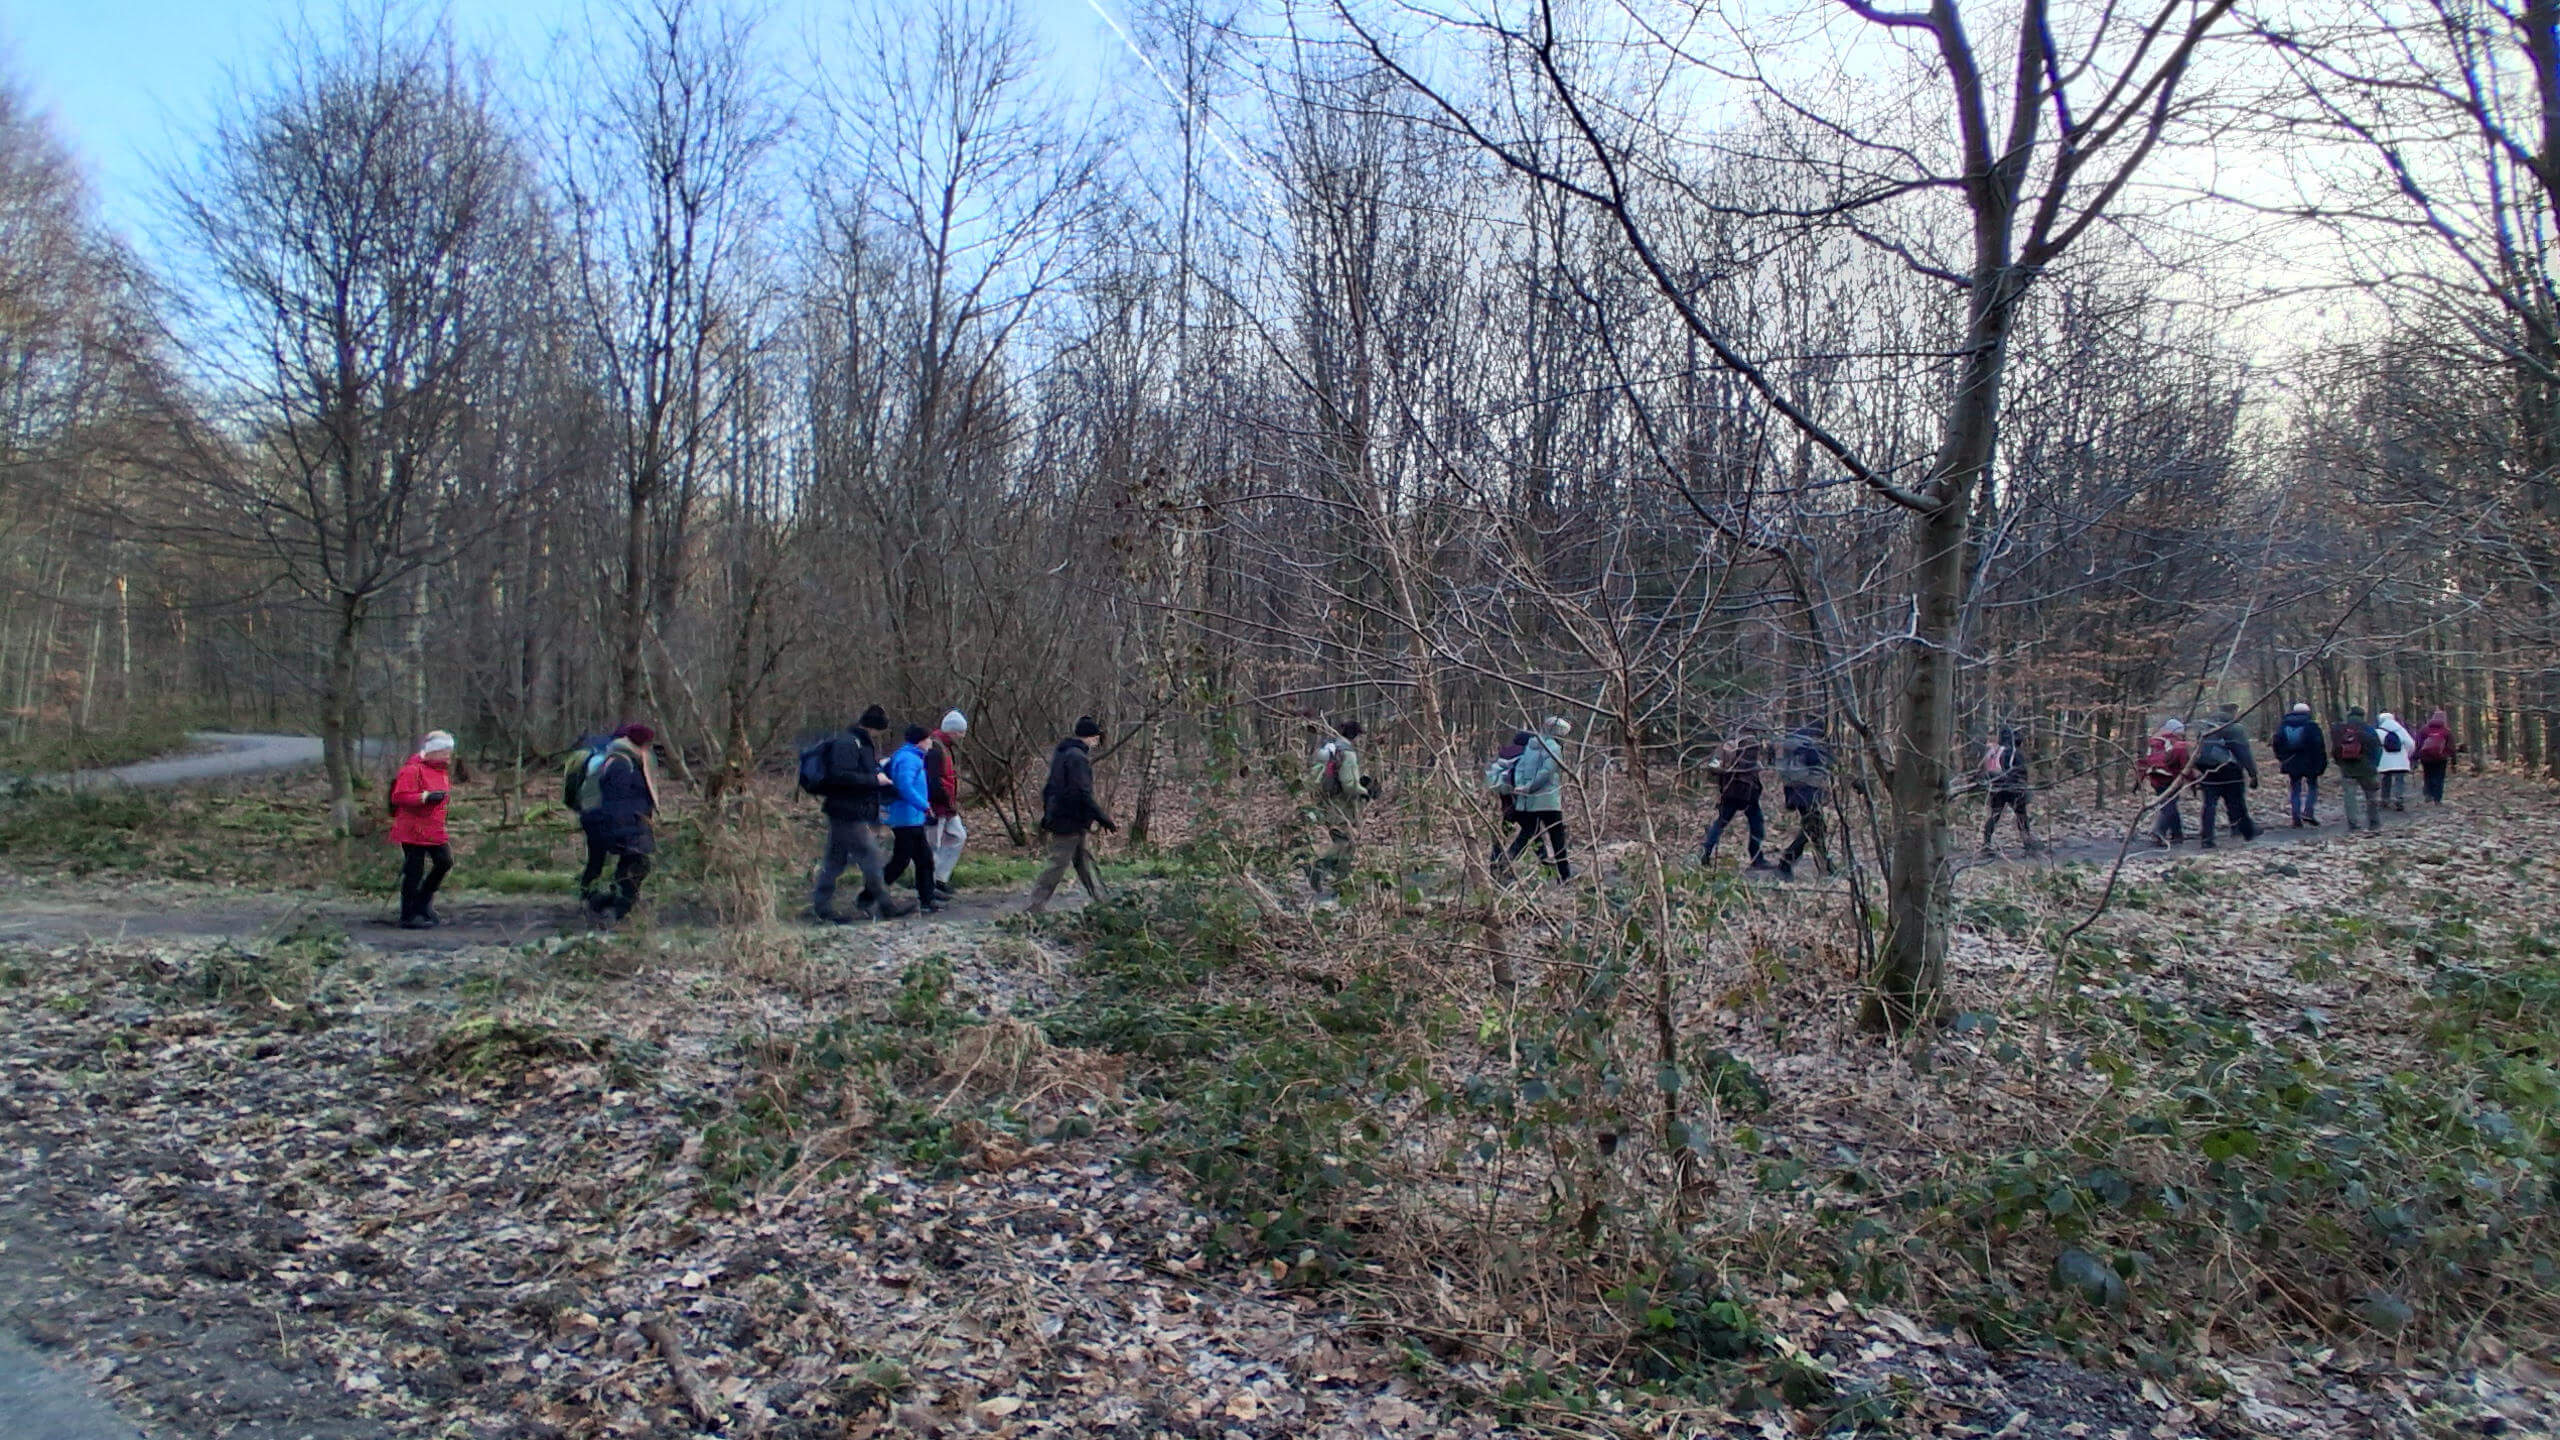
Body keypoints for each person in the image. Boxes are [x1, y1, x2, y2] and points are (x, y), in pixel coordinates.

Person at [809, 706, 910, 923]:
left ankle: (821, 907)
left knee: (835, 861)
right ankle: (886, 905)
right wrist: (875, 780)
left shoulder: (858, 742)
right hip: (847, 811)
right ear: (874, 727)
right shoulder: (849, 743)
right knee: (870, 856)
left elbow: (856, 772)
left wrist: (878, 777)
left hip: (846, 810)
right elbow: (840, 776)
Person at [1023, 716, 1114, 914]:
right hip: (1069, 818)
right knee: (1058, 863)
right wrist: (1101, 817)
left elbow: (1051, 787)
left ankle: (1102, 900)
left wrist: (1048, 814)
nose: (1097, 741)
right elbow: (1081, 792)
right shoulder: (1077, 758)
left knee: (1083, 861)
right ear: (1092, 737)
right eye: (1096, 737)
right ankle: (1035, 906)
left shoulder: (1063, 753)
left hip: (1063, 816)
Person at [577, 723, 658, 921]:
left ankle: (606, 903)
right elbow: (617, 800)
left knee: (629, 866)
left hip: (629, 824)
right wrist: (623, 831)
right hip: (625, 826)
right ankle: (615, 909)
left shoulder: (630, 760)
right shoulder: (622, 763)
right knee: (636, 865)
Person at [389, 729, 457, 929]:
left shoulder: (441, 771)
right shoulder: (412, 770)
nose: (449, 755)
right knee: (414, 871)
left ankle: (422, 902)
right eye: (444, 751)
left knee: (444, 861)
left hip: (434, 828)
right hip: (412, 829)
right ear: (432, 751)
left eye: (449, 751)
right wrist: (425, 797)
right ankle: (408, 915)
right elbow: (398, 797)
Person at [878, 725, 942, 914]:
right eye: (928, 739)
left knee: (923, 859)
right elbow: (904, 787)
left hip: (911, 817)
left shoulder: (910, 756)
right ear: (920, 741)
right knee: (902, 861)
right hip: (906, 817)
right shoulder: (908, 759)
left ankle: (927, 900)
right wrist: (924, 805)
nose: (930, 742)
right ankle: (869, 894)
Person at [1499, 717, 1572, 881]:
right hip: (1548, 801)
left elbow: (1519, 770)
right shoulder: (1553, 748)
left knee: (1528, 834)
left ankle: (1508, 860)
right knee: (1557, 839)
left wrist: (1522, 788)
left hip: (1529, 802)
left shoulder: (1530, 747)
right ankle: (1565, 876)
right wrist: (1530, 787)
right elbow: (1546, 773)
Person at [1310, 718, 1372, 885]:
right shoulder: (1348, 753)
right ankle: (1337, 879)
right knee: (1346, 842)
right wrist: (1365, 791)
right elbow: (1349, 784)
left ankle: (1334, 876)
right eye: (1359, 736)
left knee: (1341, 839)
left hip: (1325, 800)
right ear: (1355, 735)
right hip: (1341, 804)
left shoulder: (1329, 747)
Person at [1699, 726, 1769, 869]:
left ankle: (1705, 853)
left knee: (1721, 823)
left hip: (1732, 791)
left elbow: (1713, 766)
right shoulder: (1744, 745)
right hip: (1746, 793)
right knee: (1756, 825)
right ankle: (1757, 858)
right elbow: (1749, 769)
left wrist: (1727, 772)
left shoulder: (1727, 745)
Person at [1775, 719, 1835, 880]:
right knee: (1812, 827)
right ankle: (1787, 860)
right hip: (1807, 792)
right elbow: (1820, 767)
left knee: (1816, 828)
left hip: (1795, 791)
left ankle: (1827, 865)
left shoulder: (1795, 742)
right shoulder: (1812, 745)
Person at [2194, 704, 2260, 849]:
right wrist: (2252, 773)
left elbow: (2198, 750)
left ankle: (2207, 838)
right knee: (2236, 802)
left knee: (2209, 805)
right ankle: (2245, 831)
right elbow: (2243, 752)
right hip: (2230, 770)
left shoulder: (2206, 727)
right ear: (2233, 712)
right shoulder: (2235, 728)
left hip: (2207, 770)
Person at [927, 709, 969, 899]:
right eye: (960, 732)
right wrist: (944, 800)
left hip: (946, 806)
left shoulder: (943, 746)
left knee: (958, 836)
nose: (962, 736)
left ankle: (940, 878)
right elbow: (934, 781)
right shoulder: (935, 749)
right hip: (938, 806)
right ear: (952, 731)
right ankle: (930, 884)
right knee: (933, 845)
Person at [1978, 725, 2036, 857]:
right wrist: (2023, 786)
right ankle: (2027, 843)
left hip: (1996, 788)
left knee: (1994, 815)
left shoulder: (1994, 751)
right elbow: (2022, 771)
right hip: (2013, 788)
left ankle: (1986, 843)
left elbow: (1983, 770)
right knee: (2021, 815)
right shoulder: (2014, 752)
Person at [2138, 717, 2191, 848]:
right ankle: (2159, 833)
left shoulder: (2154, 742)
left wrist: (2140, 779)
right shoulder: (2179, 745)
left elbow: (2144, 761)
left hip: (2156, 778)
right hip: (2172, 779)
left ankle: (2177, 834)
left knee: (2169, 804)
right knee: (2169, 806)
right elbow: (2185, 765)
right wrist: (2192, 781)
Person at [2271, 702, 2327, 827]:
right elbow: (2319, 746)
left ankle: (2296, 818)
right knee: (2312, 787)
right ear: (2307, 712)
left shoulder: (2284, 725)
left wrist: (2282, 758)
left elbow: (2276, 744)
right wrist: (2321, 764)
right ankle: (2308, 812)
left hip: (2291, 762)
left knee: (2295, 789)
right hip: (2310, 762)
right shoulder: (2311, 726)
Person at [2331, 706, 2383, 832]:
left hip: (2347, 768)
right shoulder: (2368, 729)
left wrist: (2341, 764)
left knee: (2350, 797)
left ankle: (2353, 824)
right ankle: (2374, 823)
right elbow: (2377, 748)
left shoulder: (2341, 730)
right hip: (2367, 768)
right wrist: (2374, 764)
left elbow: (2335, 750)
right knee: (2371, 795)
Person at [2374, 710, 2416, 811]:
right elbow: (2411, 743)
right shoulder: (2400, 730)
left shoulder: (2378, 731)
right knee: (2399, 780)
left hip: (2385, 760)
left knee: (2386, 779)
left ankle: (2385, 799)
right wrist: (2408, 754)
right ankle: (2399, 798)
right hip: (2400, 760)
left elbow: (2374, 746)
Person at [2415, 708, 2457, 802]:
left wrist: (2415, 757)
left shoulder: (2424, 730)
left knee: (2428, 775)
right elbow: (2452, 748)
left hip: (2426, 758)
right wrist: (2453, 762)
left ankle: (2428, 794)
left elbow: (2418, 744)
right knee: (2439, 777)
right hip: (2441, 758)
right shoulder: (2446, 732)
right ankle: (2437, 798)